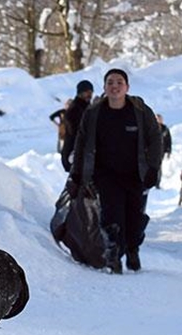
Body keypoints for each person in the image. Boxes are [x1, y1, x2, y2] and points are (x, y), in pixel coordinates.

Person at [68, 68, 162, 274]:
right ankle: (112, 254)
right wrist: (77, 173)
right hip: (105, 174)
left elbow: (155, 139)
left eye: (119, 82)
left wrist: (153, 168)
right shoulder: (93, 113)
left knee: (134, 217)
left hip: (135, 173)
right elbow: (82, 143)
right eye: (110, 82)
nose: (115, 86)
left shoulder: (139, 110)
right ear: (104, 87)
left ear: (127, 87)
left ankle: (133, 249)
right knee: (111, 216)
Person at [59, 80, 96, 172]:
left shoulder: (86, 107)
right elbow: (76, 134)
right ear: (80, 93)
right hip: (74, 153)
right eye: (87, 92)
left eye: (91, 92)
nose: (89, 95)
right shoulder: (75, 109)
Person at [155, 114, 172, 188]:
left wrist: (168, 150)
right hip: (151, 152)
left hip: (161, 152)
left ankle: (157, 183)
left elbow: (168, 140)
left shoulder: (165, 129)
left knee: (158, 168)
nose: (158, 120)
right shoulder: (150, 127)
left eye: (160, 119)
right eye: (157, 119)